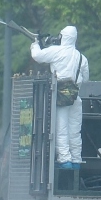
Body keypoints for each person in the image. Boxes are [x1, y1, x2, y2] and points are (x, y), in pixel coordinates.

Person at [31, 25, 89, 169]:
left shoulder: (56, 52)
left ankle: (65, 160)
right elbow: (86, 79)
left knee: (61, 128)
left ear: (63, 37)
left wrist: (35, 44)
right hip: (75, 97)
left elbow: (37, 56)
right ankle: (76, 160)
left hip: (61, 96)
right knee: (75, 130)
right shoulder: (82, 57)